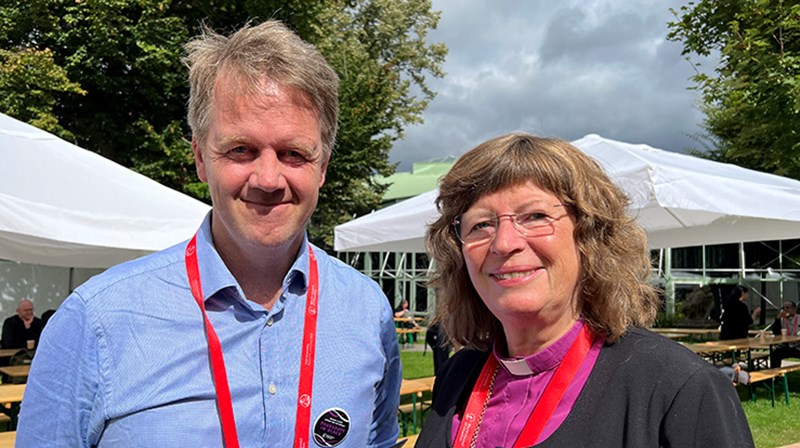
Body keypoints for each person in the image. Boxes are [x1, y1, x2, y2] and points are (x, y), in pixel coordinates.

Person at [17, 20, 401, 447]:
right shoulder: (97, 320)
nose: (268, 178)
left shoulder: (367, 312)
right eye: (241, 150)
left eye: (294, 154)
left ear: (323, 166)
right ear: (201, 158)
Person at [415, 133, 754, 447]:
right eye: (482, 224)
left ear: (589, 238)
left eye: (534, 216)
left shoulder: (678, 387)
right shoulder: (460, 375)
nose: (504, 243)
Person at [769, 301, 800, 368]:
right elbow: (776, 332)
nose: (785, 310)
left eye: (787, 308)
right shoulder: (782, 319)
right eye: (783, 308)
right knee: (775, 353)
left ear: (794, 309)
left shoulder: (799, 318)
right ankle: (775, 375)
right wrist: (777, 318)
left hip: (798, 346)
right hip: (787, 346)